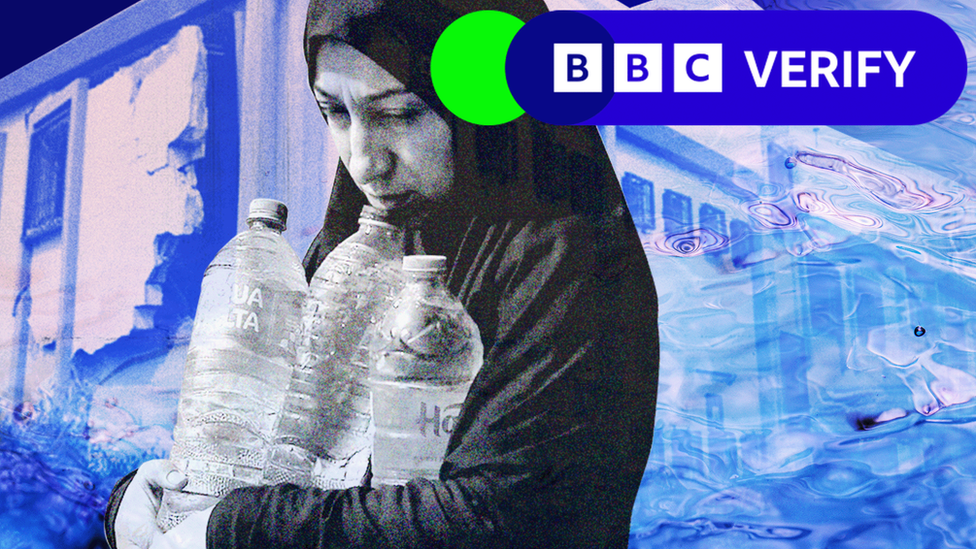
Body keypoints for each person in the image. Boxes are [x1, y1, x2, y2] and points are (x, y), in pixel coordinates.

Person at [105, 0, 659, 547]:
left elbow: (494, 518)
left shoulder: (577, 264)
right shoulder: (356, 243)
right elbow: (285, 440)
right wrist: (154, 500)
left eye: (399, 113)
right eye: (335, 112)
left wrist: (235, 529)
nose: (364, 161)